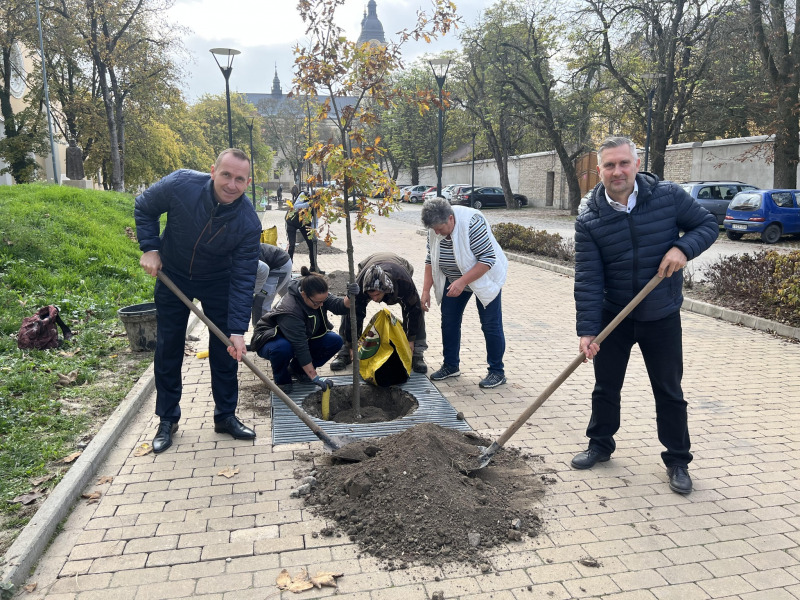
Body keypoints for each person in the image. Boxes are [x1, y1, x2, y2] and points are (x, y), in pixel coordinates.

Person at [572, 136, 718, 495]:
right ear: (599, 170)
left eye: (624, 163)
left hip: (661, 312)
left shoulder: (667, 196)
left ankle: (679, 459)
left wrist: (683, 248)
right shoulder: (589, 217)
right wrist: (589, 330)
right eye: (609, 165)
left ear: (637, 164)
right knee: (606, 386)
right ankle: (600, 444)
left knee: (668, 390)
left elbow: (707, 226)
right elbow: (589, 277)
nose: (617, 171)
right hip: (613, 315)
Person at [135, 148, 262, 453]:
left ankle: (225, 416)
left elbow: (244, 279)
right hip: (173, 274)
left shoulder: (248, 222)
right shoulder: (181, 185)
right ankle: (167, 419)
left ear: (247, 183)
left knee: (225, 349)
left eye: (240, 179)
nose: (231, 184)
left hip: (219, 280)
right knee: (169, 347)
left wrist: (237, 331)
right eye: (226, 175)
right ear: (213, 171)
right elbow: (145, 206)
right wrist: (151, 248)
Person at [420, 198, 508, 389]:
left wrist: (462, 281)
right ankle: (451, 365)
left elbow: (488, 259)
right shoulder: (435, 227)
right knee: (449, 321)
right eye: (433, 229)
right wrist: (426, 290)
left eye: (439, 229)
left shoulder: (472, 223)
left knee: (490, 325)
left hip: (484, 277)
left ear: (450, 219)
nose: (437, 233)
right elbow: (430, 259)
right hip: (454, 280)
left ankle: (497, 371)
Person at [251, 267, 359, 393]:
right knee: (282, 349)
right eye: (317, 303)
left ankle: (298, 370)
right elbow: (300, 347)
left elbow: (338, 306)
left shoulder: (315, 294)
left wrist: (350, 296)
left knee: (335, 341)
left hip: (300, 335)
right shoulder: (290, 310)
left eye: (323, 301)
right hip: (271, 338)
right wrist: (314, 376)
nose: (321, 305)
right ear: (304, 295)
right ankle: (282, 380)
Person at [331, 252, 428, 374]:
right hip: (367, 265)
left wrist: (410, 339)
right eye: (371, 296)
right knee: (350, 307)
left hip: (401, 267)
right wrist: (352, 344)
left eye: (377, 295)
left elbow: (413, 310)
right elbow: (354, 315)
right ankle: (345, 351)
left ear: (386, 289)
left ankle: (417, 354)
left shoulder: (404, 283)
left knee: (417, 309)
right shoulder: (360, 287)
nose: (375, 299)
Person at [252, 243, 293, 328]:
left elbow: (263, 269)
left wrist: (256, 291)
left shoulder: (242, 253)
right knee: (290, 297)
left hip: (279, 266)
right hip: (277, 261)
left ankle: (261, 333)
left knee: (261, 302)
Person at [285, 185, 321, 273]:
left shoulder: (318, 204)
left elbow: (315, 220)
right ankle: (288, 269)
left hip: (304, 223)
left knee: (312, 243)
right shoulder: (303, 194)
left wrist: (313, 232)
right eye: (315, 198)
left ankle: (313, 266)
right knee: (292, 245)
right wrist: (309, 204)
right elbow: (296, 206)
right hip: (292, 221)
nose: (317, 200)